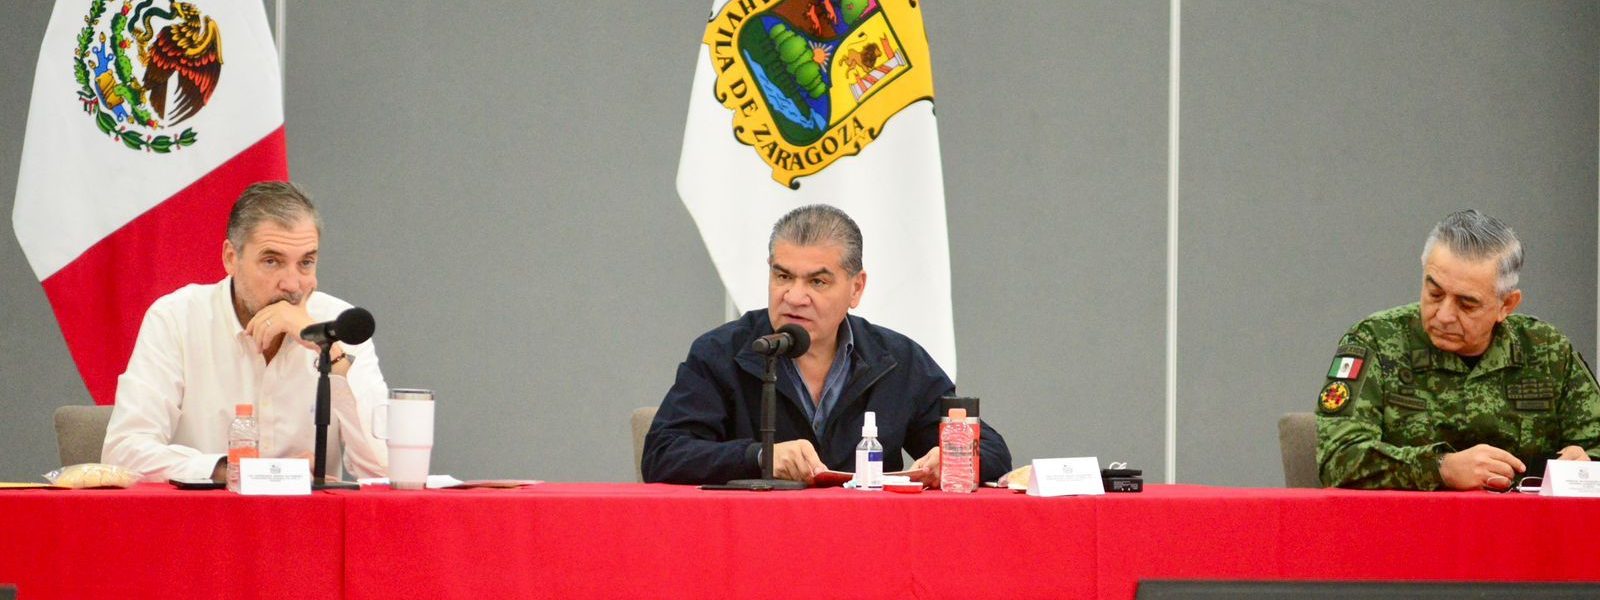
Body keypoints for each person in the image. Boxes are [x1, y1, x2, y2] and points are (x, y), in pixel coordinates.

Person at [642, 204, 1011, 486]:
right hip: (758, 542)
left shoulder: (895, 359)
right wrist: (759, 456)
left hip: (869, 544)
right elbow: (663, 454)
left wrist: (956, 457)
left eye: (817, 282)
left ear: (856, 288)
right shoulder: (722, 352)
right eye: (782, 276)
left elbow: (992, 451)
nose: (794, 296)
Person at [102, 181, 389, 482]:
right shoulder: (176, 319)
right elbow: (123, 452)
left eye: (306, 262)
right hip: (208, 511)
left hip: (307, 514)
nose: (292, 284)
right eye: (271, 261)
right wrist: (246, 472)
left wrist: (330, 352)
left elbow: (385, 469)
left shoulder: (339, 325)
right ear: (231, 258)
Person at [1317, 209, 1600, 490]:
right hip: (1413, 518)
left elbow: (1594, 445)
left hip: (1522, 519)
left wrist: (1585, 464)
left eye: (1467, 304)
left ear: (1506, 305)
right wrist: (1440, 468)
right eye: (1435, 294)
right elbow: (1338, 458)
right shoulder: (1375, 341)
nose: (1444, 315)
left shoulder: (1547, 351)